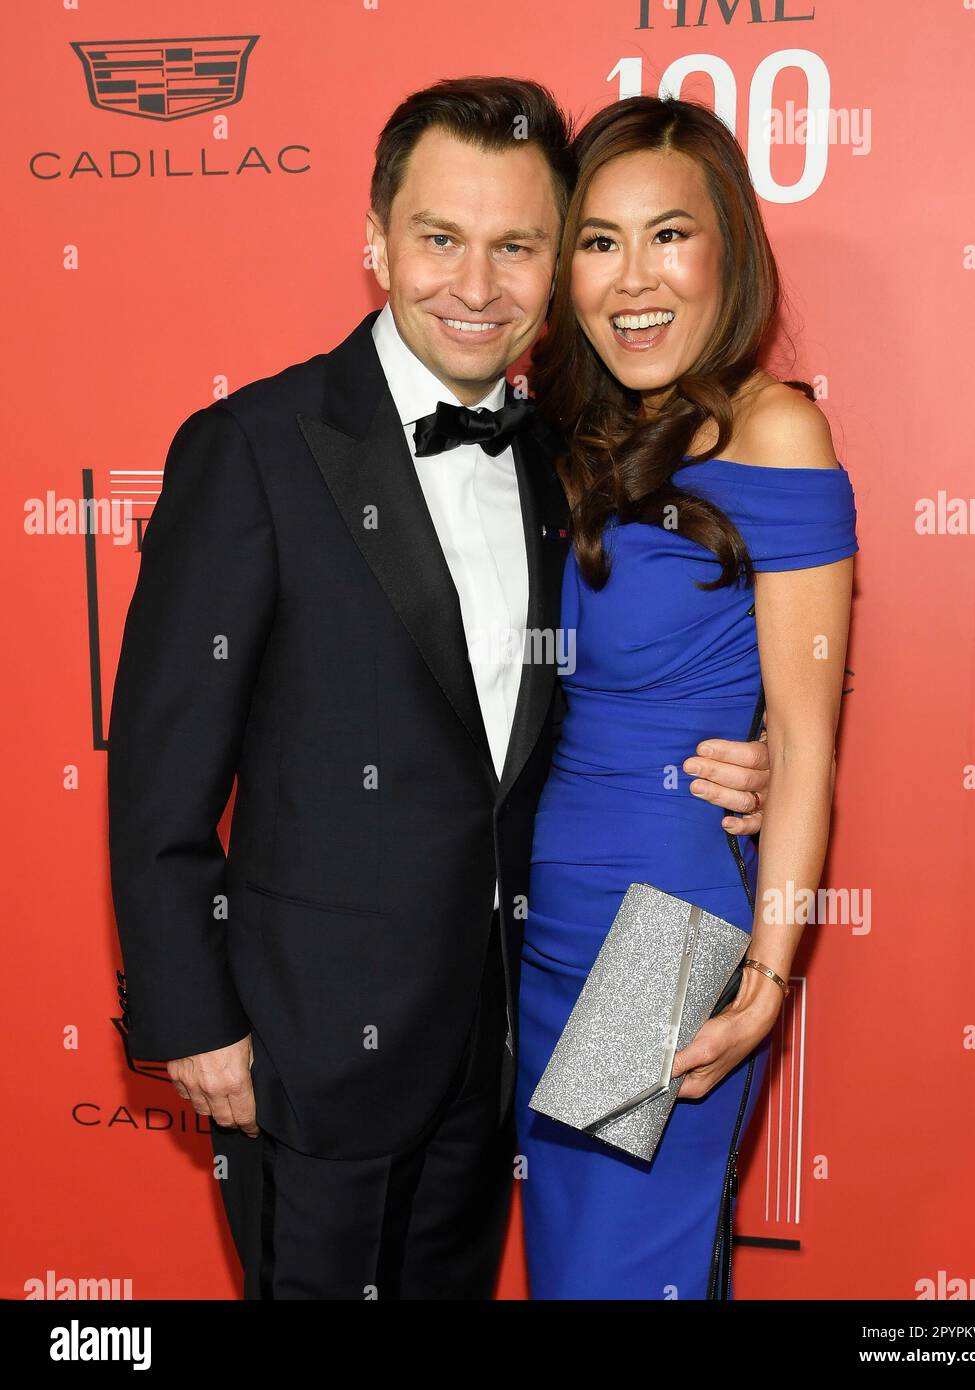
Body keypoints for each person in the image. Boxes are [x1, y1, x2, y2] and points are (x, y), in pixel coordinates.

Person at [106, 77, 772, 1301]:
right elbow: (158, 774)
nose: (477, 285)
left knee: (617, 1258)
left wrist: (753, 742)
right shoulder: (254, 448)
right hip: (318, 1049)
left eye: (517, 245)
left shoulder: (572, 455)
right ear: (374, 240)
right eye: (440, 239)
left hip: (589, 978)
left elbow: (684, 658)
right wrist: (192, 1018)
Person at [514, 94, 858, 1300]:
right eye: (599, 242)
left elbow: (808, 742)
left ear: (731, 250)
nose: (631, 277)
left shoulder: (775, 434)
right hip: (527, 928)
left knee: (610, 1282)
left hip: (660, 936)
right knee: (572, 1271)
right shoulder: (565, 430)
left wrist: (766, 979)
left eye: (670, 234)